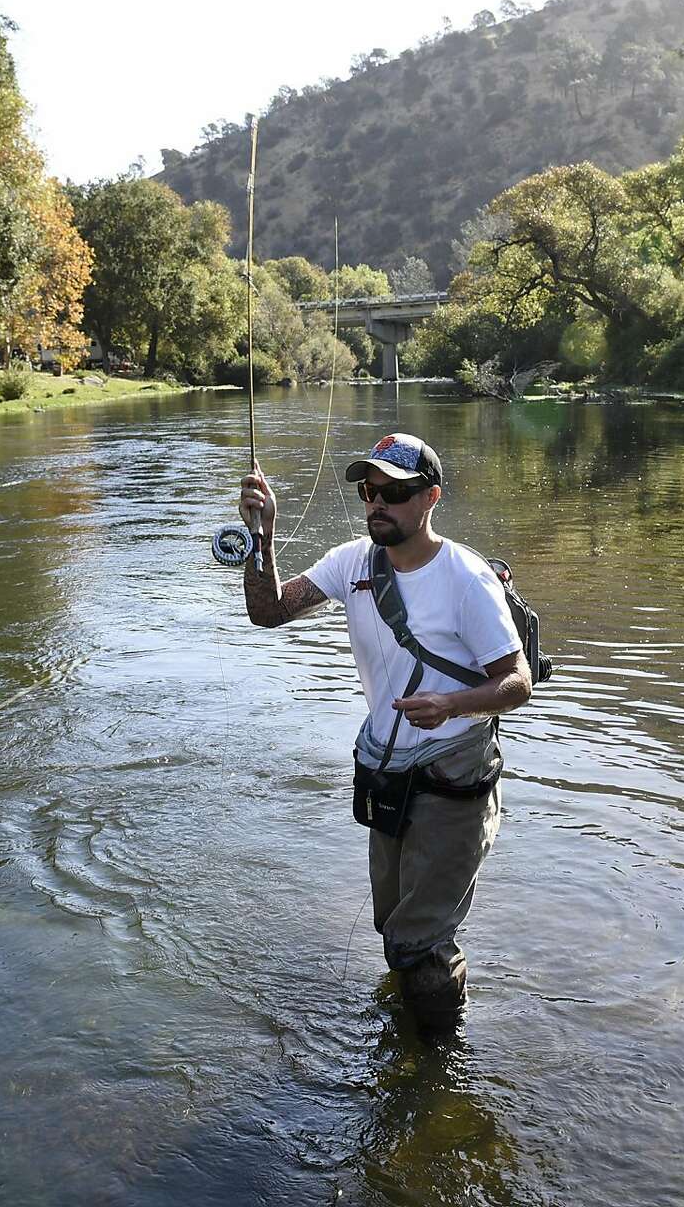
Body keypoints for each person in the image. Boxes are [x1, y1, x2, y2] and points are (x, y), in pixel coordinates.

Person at [239, 432, 532, 1033]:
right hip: (388, 771)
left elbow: (517, 683)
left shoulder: (466, 578)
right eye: (369, 491)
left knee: (418, 942)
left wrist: (452, 703)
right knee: (393, 925)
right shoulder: (351, 564)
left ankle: (434, 1072)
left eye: (394, 492)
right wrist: (261, 535)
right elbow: (268, 610)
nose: (377, 503)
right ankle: (418, 1034)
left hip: (454, 772)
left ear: (430, 499)